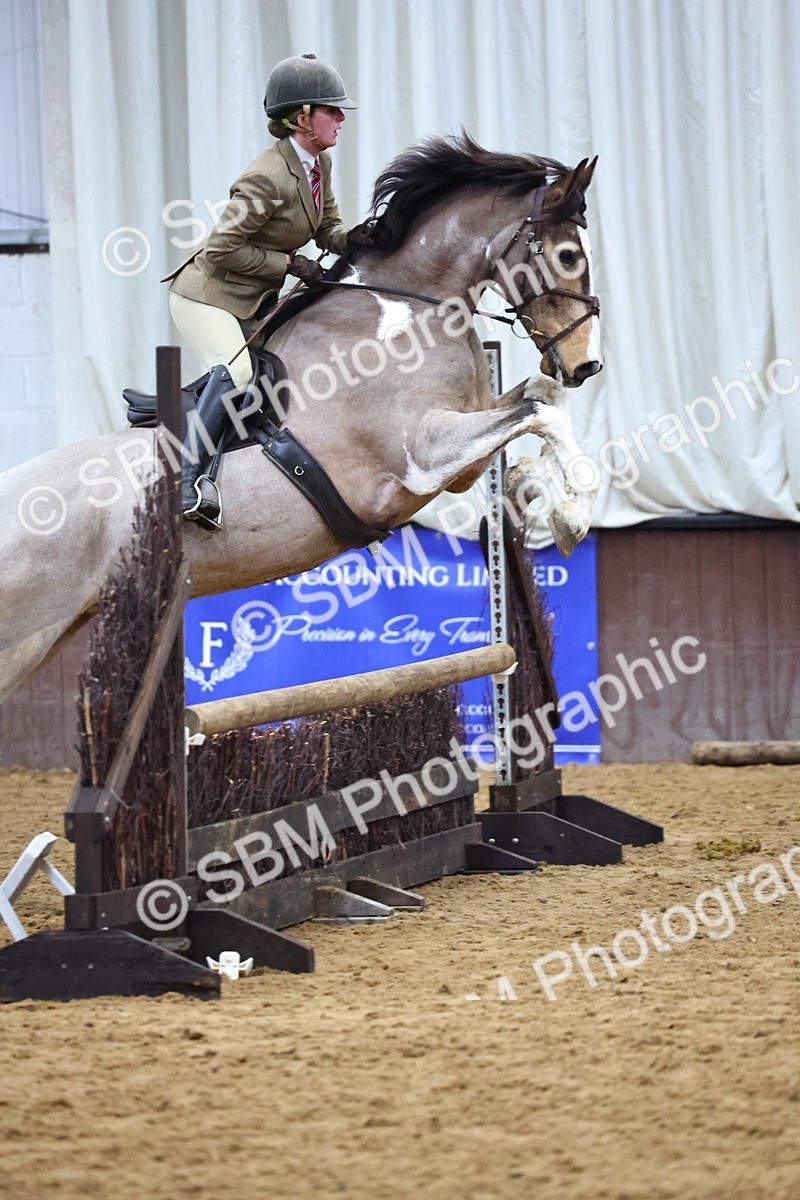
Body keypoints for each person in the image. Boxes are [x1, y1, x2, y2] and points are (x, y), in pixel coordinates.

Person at [162, 52, 371, 527]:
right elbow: (219, 251)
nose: (341, 118)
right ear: (302, 118)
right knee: (236, 375)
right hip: (206, 296)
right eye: (331, 110)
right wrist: (289, 262)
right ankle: (185, 483)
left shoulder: (320, 164)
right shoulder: (267, 176)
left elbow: (328, 227)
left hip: (250, 296)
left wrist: (355, 238)